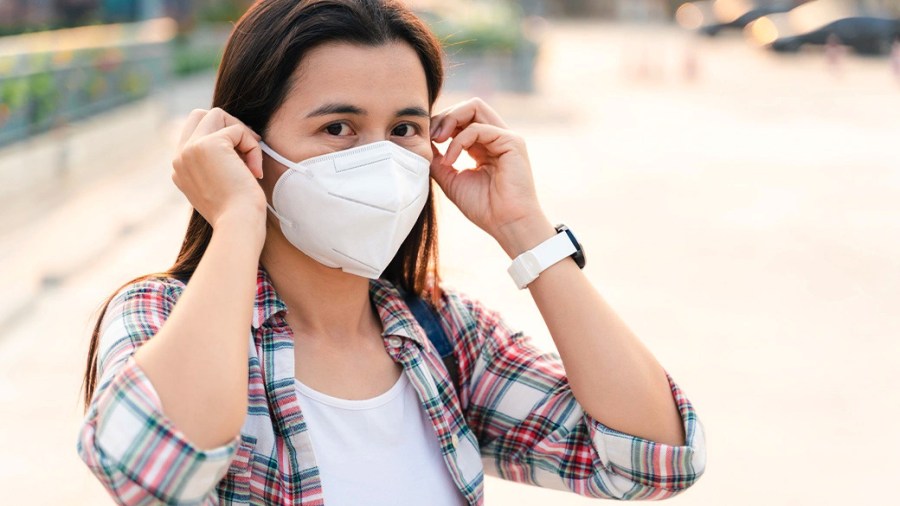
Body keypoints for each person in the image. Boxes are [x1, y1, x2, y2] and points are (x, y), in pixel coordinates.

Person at [77, 1, 706, 504]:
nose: (378, 159)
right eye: (338, 128)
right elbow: (153, 470)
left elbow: (655, 460)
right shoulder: (159, 314)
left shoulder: (443, 332)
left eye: (404, 128)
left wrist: (525, 230)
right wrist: (237, 219)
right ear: (243, 144)